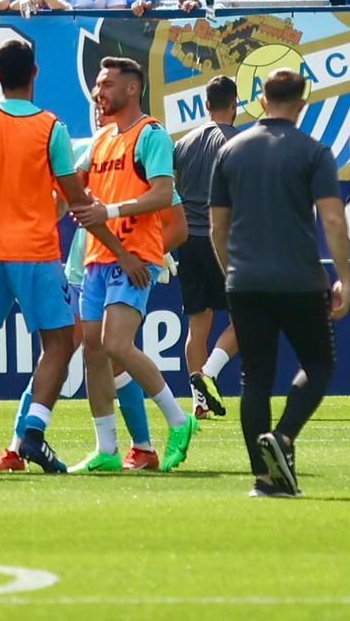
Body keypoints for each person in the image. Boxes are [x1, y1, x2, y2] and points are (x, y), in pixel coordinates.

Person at [0, 39, 115, 473]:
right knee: (60, 342)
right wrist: (119, 247)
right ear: (35, 73)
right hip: (36, 253)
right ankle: (34, 433)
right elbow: (76, 200)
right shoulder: (50, 127)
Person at [208, 67, 350, 498]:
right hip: (300, 279)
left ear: (263, 100)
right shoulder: (313, 151)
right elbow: (331, 217)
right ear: (303, 103)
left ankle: (264, 479)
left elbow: (217, 227)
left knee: (255, 378)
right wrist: (343, 276)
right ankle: (285, 436)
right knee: (320, 364)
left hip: (245, 280)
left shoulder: (231, 151)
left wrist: (230, 270)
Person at [66, 57, 198, 474]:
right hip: (98, 259)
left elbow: (163, 195)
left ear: (131, 89)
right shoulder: (102, 140)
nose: (97, 92)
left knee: (117, 345)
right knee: (94, 349)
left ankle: (180, 420)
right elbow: (75, 194)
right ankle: (107, 447)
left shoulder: (152, 134)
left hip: (137, 254)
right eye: (96, 84)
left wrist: (113, 212)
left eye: (106, 84)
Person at [172, 74, 239, 418]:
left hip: (187, 240)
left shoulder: (182, 144)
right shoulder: (235, 142)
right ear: (235, 104)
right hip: (220, 239)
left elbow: (172, 190)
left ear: (206, 104)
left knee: (197, 326)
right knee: (246, 316)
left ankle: (199, 403)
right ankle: (209, 374)